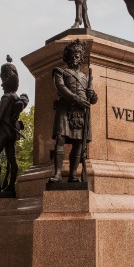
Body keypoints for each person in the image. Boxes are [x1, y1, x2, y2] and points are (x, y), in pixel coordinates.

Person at [49, 39, 98, 183]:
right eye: (72, 55)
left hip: (82, 112)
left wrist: (92, 95)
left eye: (77, 55)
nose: (74, 57)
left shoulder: (86, 77)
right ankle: (57, 174)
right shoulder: (59, 72)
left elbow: (93, 99)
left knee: (78, 144)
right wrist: (77, 99)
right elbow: (61, 88)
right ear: (67, 57)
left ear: (81, 58)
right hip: (65, 109)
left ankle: (73, 174)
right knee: (60, 139)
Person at [0, 57, 29, 191]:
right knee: (12, 159)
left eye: (2, 81)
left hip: (4, 131)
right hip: (12, 133)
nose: (1, 85)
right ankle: (11, 186)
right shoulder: (16, 97)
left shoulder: (6, 97)